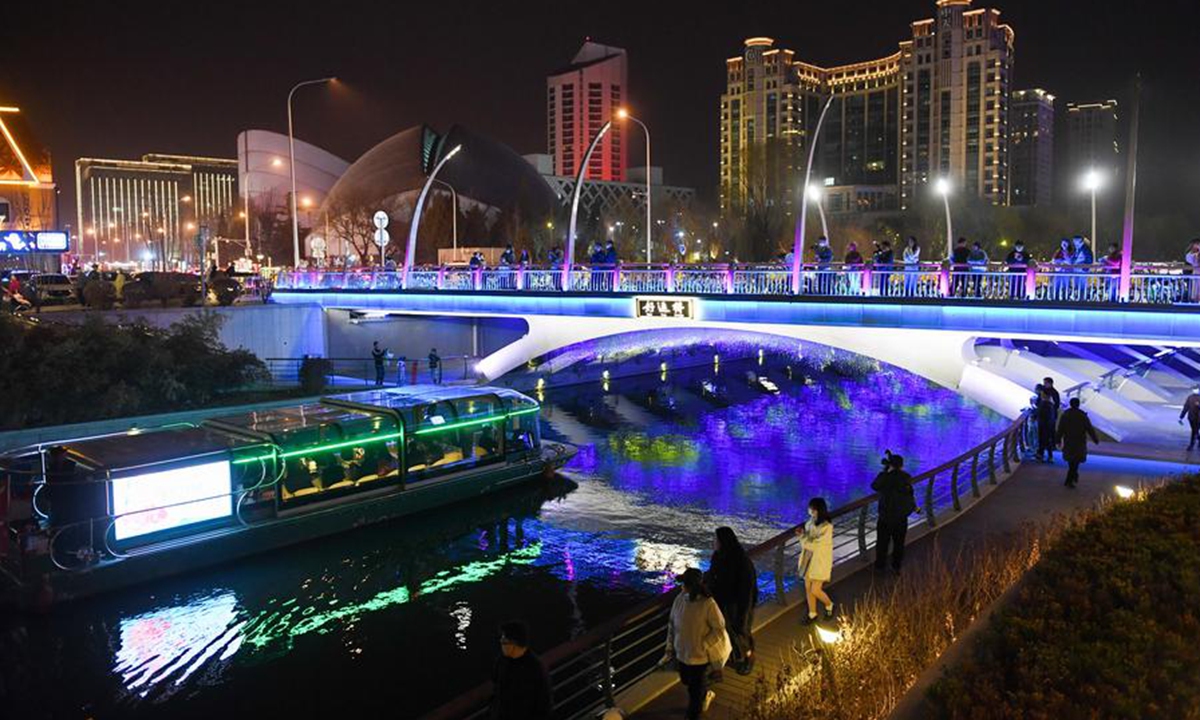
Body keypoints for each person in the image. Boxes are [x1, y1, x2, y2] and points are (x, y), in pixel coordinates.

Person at [662, 568, 728, 720]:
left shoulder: (707, 604)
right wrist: (671, 646)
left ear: (689, 585)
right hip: (682, 653)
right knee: (686, 681)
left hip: (699, 657)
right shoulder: (679, 599)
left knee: (694, 692)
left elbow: (719, 628)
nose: (681, 586)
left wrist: (703, 645)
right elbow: (672, 623)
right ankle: (704, 693)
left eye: (683, 583)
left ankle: (694, 713)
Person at [704, 527, 758, 675]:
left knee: (741, 631)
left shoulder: (741, 561)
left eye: (716, 539)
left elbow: (747, 590)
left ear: (723, 541)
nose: (714, 542)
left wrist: (744, 612)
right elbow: (712, 574)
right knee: (729, 631)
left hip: (737, 603)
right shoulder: (719, 556)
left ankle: (748, 658)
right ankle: (737, 656)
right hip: (723, 602)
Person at [489, 621, 552, 720]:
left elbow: (543, 703)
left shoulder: (535, 668)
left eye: (504, 640)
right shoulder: (501, 661)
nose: (501, 641)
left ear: (514, 643)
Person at [871, 453, 916, 574]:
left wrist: (885, 471)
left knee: (882, 543)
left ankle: (880, 566)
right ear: (901, 465)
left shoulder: (885, 476)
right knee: (899, 543)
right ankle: (896, 566)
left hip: (885, 516)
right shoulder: (906, 477)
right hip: (901, 517)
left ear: (890, 465)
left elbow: (874, 486)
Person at [796, 497, 834, 623]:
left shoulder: (827, 528)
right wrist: (804, 534)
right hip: (809, 559)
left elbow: (814, 545)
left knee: (815, 589)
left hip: (819, 561)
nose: (809, 510)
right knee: (808, 587)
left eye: (811, 508)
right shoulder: (811, 522)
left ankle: (829, 604)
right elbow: (809, 538)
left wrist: (802, 538)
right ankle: (812, 613)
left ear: (816, 510)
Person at [1056, 397, 1100, 488]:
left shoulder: (1065, 415)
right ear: (1078, 405)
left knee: (1071, 460)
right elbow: (1089, 428)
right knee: (1076, 461)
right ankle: (1071, 478)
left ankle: (1071, 477)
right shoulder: (1082, 416)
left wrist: (1058, 440)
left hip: (1068, 440)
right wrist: (1095, 439)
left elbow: (1060, 429)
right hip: (1079, 441)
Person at [1035, 385, 1058, 462]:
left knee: (1043, 440)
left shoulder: (1044, 404)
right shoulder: (1050, 404)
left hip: (1043, 425)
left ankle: (1041, 456)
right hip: (1048, 425)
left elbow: (1039, 413)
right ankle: (1049, 456)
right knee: (1047, 441)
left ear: (1044, 395)